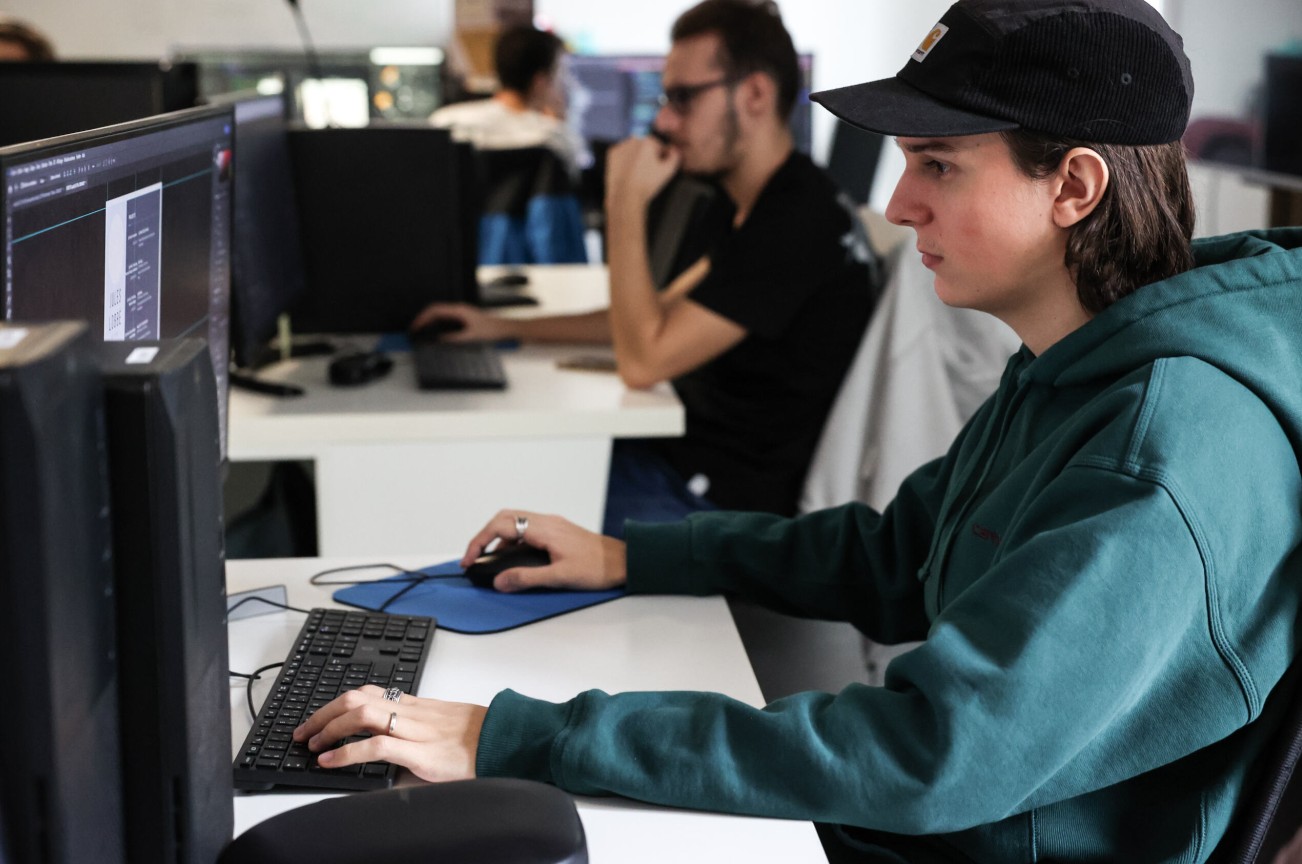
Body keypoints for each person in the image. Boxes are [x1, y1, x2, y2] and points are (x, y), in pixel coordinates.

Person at [296, 0, 1302, 860]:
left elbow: (930, 752)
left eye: (938, 166)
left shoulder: (1161, 454)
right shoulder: (1068, 367)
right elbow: (896, 555)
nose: (901, 204)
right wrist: (623, 555)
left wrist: (513, 739)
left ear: (1074, 188)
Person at [415, 0, 879, 531]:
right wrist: (500, 328)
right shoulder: (749, 202)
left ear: (754, 95)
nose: (663, 119)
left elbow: (643, 360)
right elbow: (651, 318)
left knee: (481, 506)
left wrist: (625, 203)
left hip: (724, 506)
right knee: (489, 478)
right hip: (679, 465)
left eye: (683, 98)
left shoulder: (797, 219)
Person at [431, 24, 584, 180]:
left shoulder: (445, 122)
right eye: (561, 73)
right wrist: (561, 121)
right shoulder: (554, 139)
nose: (566, 83)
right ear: (540, 81)